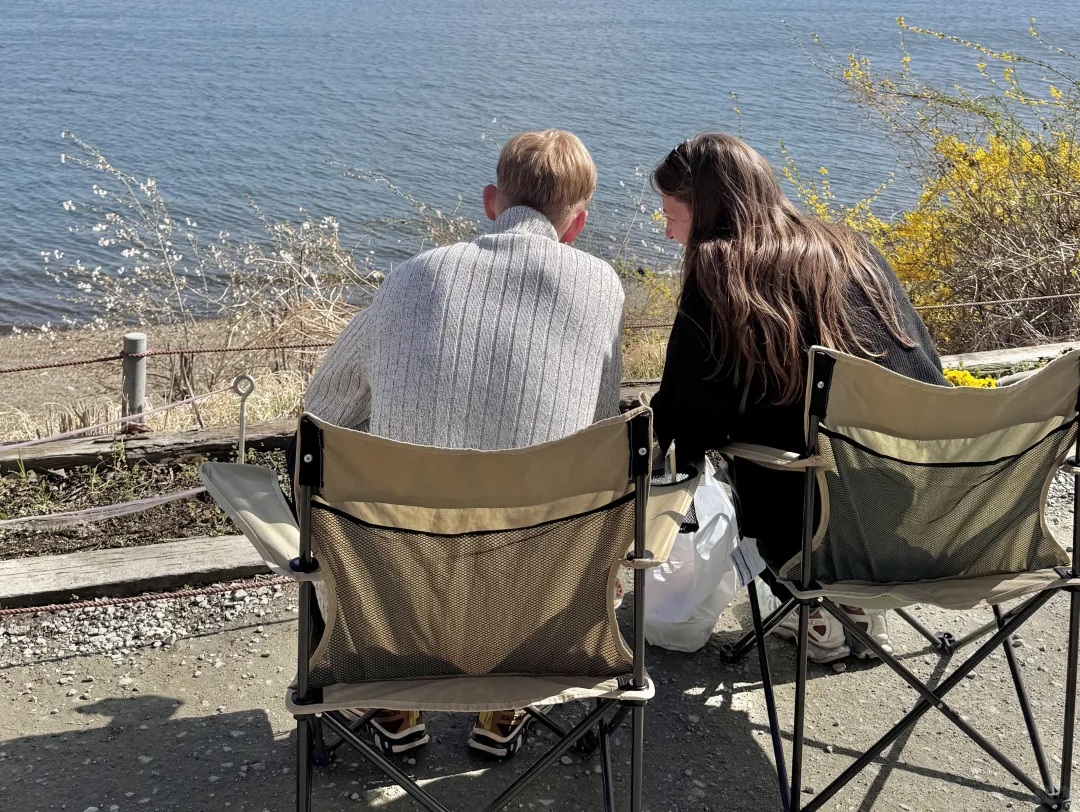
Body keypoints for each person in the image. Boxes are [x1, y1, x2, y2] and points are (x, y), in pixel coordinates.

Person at [304, 129, 625, 756]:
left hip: (397, 608)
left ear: (489, 202)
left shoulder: (411, 278)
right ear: (577, 223)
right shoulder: (603, 287)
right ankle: (505, 704)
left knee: (326, 491)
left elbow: (323, 411)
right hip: (538, 611)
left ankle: (391, 705)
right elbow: (600, 430)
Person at [648, 132, 945, 663]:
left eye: (673, 217)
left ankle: (821, 613)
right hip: (919, 508)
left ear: (710, 212)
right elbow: (925, 366)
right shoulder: (853, 247)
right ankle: (850, 610)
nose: (670, 235)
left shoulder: (722, 275)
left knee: (746, 461)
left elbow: (681, 424)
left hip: (813, 535)